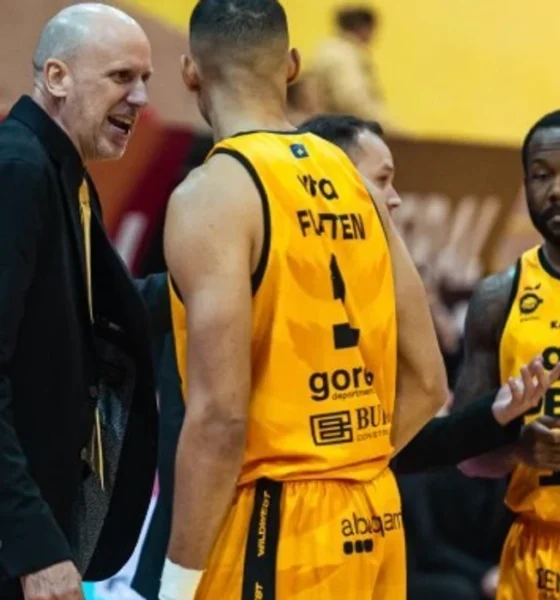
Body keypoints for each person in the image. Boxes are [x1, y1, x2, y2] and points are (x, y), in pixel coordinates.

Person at [159, 2, 558, 600]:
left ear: (190, 71)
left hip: (277, 518)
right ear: (292, 66)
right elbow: (428, 382)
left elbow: (221, 417)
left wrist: (176, 580)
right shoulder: (357, 184)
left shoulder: (212, 193)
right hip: (372, 509)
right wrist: (351, 462)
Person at [0, 4, 160, 600]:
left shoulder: (60, 169)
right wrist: (34, 547)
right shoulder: (18, 170)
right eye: (122, 77)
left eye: (145, 79)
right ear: (57, 77)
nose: (140, 98)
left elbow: (81, 315)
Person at [298, 113, 560, 473]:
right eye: (382, 180)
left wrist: (494, 414)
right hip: (297, 495)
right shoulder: (284, 279)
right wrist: (516, 448)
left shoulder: (373, 279)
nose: (396, 199)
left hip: (358, 493)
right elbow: (428, 396)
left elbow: (407, 429)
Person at [453, 111, 560, 600]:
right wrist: (518, 451)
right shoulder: (499, 296)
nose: (555, 190)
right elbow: (465, 451)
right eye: (541, 175)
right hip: (535, 553)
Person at [312, 6, 397, 131]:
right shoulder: (344, 55)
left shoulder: (327, 49)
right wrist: (388, 128)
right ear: (364, 28)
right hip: (343, 132)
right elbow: (353, 101)